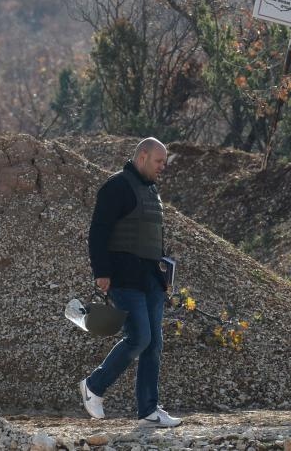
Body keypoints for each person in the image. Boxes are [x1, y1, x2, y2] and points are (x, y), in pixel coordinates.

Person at [79, 137, 182, 428]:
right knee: (139, 338)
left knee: (154, 345)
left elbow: (149, 235)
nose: (163, 167)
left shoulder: (151, 190)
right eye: (159, 161)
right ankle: (94, 386)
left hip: (151, 278)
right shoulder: (116, 186)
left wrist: (165, 276)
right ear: (142, 157)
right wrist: (101, 271)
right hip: (124, 277)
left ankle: (149, 410)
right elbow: (98, 231)